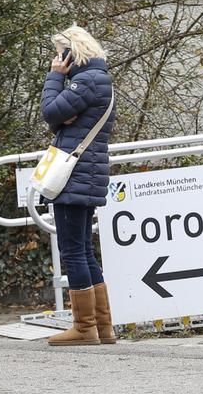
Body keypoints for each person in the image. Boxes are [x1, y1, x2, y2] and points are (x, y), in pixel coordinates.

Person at [40, 25, 117, 346]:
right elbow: (59, 117)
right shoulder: (98, 81)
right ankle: (103, 328)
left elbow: (49, 112)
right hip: (88, 173)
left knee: (73, 251)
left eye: (60, 52)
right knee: (84, 251)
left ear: (72, 52)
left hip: (74, 175)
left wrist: (54, 77)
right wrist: (60, 114)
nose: (58, 58)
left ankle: (84, 329)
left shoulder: (85, 81)